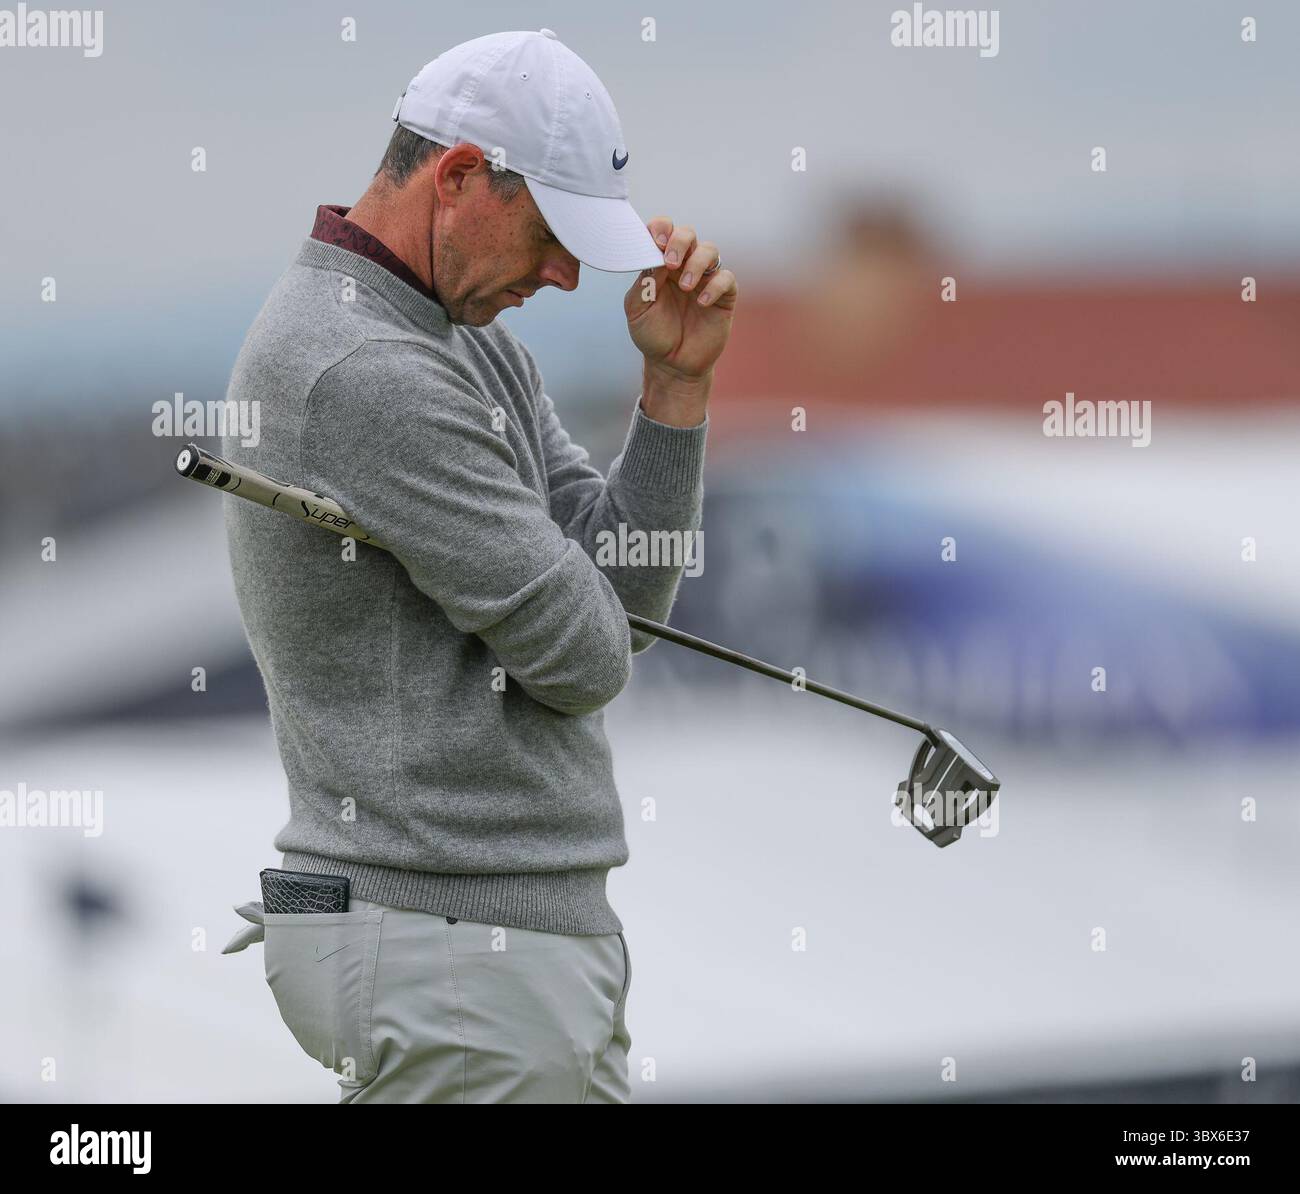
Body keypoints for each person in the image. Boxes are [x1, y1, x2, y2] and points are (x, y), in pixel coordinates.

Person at [217, 27, 737, 1103]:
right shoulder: (369, 369)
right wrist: (587, 612)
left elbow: (617, 605)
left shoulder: (456, 338)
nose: (562, 273)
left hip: (464, 948)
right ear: (457, 177)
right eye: (550, 233)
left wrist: (674, 390)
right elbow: (586, 658)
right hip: (454, 950)